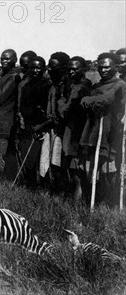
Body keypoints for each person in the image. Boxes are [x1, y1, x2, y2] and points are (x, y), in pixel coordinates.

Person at [79, 52, 126, 206]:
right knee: (91, 167)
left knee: (109, 168)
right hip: (93, 130)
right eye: (100, 67)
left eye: (107, 67)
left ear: (115, 67)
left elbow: (106, 100)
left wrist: (90, 100)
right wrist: (89, 101)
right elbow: (84, 102)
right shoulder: (97, 85)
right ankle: (95, 201)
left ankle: (112, 204)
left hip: (110, 132)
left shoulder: (119, 84)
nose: (103, 70)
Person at [57, 56, 91, 202]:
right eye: (69, 69)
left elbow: (66, 111)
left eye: (75, 69)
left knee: (76, 169)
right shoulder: (74, 86)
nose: (71, 71)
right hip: (72, 130)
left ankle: (77, 204)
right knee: (73, 168)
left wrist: (60, 101)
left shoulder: (82, 88)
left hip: (77, 132)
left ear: (83, 69)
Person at [16, 56, 52, 187]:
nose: (35, 70)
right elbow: (22, 106)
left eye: (38, 67)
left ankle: (45, 185)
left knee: (42, 159)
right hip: (28, 126)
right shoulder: (25, 85)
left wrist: (41, 125)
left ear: (44, 68)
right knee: (28, 158)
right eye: (32, 68)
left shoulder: (48, 86)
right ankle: (31, 185)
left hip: (43, 126)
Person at [0, 49, 21, 178]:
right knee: (3, 151)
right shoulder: (4, 75)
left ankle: (11, 177)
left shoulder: (13, 77)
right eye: (2, 59)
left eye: (7, 59)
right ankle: (7, 176)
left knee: (8, 151)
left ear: (14, 60)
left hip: (7, 119)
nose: (4, 61)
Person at [43, 52, 71, 187]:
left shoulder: (67, 86)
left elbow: (63, 113)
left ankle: (63, 190)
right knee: (52, 160)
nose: (49, 70)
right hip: (52, 127)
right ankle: (54, 187)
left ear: (64, 68)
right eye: (49, 67)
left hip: (63, 130)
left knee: (60, 161)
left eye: (53, 67)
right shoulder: (53, 84)